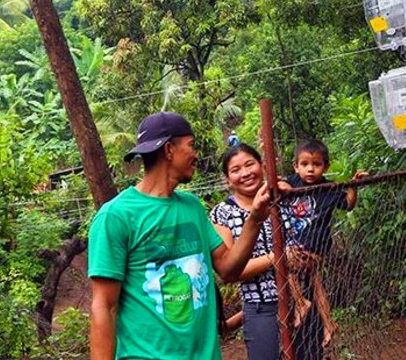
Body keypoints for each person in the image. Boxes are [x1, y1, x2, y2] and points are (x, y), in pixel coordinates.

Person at [88, 112, 271, 360]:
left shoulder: (192, 207)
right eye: (191, 145)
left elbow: (228, 269)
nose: (196, 154)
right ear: (169, 150)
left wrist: (256, 218)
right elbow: (103, 306)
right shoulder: (117, 216)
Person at [281, 139, 367, 356]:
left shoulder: (328, 189)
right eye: (305, 164)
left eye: (316, 164)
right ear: (296, 166)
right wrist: (287, 188)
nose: (310, 169)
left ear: (325, 167)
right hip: (298, 243)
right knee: (316, 282)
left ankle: (301, 303)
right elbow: (278, 185)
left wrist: (354, 186)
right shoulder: (293, 182)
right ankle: (328, 323)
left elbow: (348, 204)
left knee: (283, 264)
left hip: (313, 246)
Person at [209, 143, 292, 360]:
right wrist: (278, 257)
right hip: (260, 306)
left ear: (262, 166)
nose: (245, 173)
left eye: (249, 164)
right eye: (235, 170)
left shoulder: (282, 200)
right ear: (227, 179)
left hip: (299, 298)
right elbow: (231, 270)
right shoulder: (222, 213)